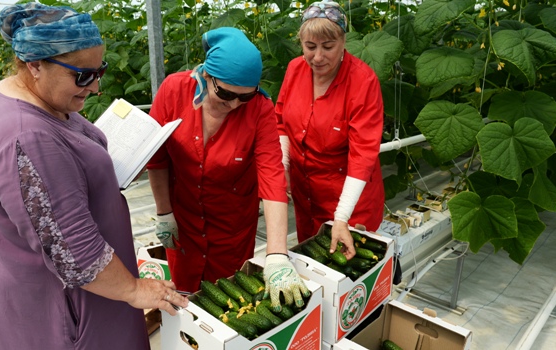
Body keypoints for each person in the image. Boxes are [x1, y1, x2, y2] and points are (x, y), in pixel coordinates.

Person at [0, 3, 187, 349]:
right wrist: (133, 289)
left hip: (67, 294)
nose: (96, 87)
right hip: (64, 309)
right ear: (35, 64)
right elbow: (75, 253)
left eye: (100, 71)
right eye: (82, 76)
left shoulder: (37, 99)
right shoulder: (28, 137)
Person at [146, 27, 310, 311]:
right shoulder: (174, 91)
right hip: (183, 220)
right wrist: (164, 213)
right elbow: (157, 158)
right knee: (185, 301)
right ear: (206, 75)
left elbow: (271, 176)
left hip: (231, 226)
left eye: (244, 97)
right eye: (225, 94)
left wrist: (277, 255)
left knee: (232, 305)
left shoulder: (259, 108)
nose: (234, 104)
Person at [275, 1, 385, 259]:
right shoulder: (295, 69)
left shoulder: (363, 81)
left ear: (344, 41)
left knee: (351, 266)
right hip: (307, 197)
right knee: (314, 263)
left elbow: (362, 156)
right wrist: (284, 169)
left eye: (328, 47)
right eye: (310, 47)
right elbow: (281, 120)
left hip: (349, 202)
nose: (318, 57)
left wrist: (342, 217)